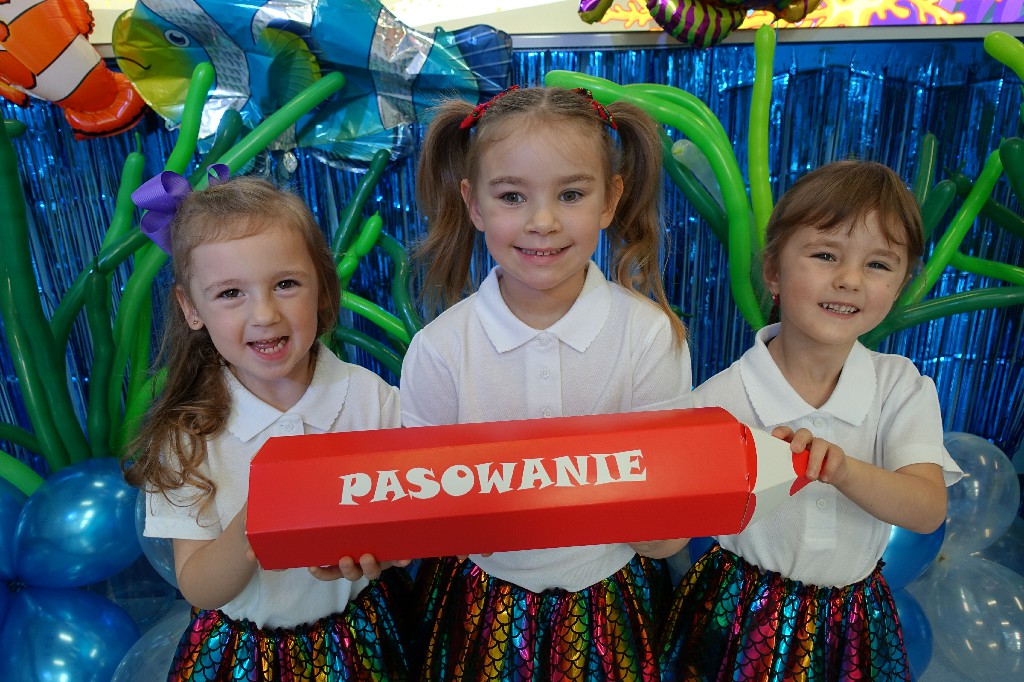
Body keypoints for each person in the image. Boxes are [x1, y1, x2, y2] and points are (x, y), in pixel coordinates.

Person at [399, 84, 694, 680]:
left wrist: (668, 524)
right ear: (473, 203)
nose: (543, 222)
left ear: (611, 200)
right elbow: (419, 511)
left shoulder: (649, 338)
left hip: (612, 600)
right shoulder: (438, 351)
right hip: (481, 606)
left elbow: (665, 520)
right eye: (512, 196)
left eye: (571, 194)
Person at [658, 160, 963, 681]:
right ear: (773, 271)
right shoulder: (717, 401)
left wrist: (842, 469)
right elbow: (671, 528)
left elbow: (927, 509)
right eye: (825, 255)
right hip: (741, 617)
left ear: (900, 285)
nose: (849, 280)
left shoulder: (901, 385)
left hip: (854, 619)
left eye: (878, 264)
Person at [122, 172, 411, 681]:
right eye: (231, 292)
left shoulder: (372, 400)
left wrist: (386, 554)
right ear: (191, 309)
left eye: (285, 284)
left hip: (361, 635)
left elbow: (406, 520)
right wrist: (253, 527)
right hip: (247, 655)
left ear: (322, 289)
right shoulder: (187, 437)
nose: (264, 314)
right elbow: (198, 587)